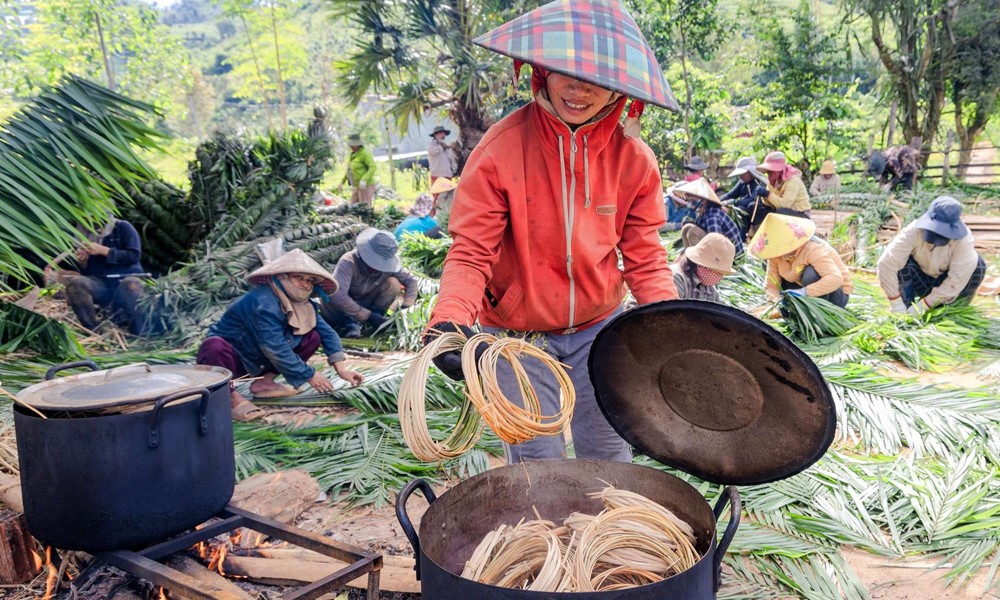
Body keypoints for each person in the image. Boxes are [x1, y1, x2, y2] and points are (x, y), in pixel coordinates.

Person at [424, 0, 680, 465]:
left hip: (600, 330)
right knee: (537, 465)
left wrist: (671, 325)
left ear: (620, 92)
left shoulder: (634, 161)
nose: (579, 89)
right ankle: (547, 540)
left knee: (607, 457)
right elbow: (471, 252)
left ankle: (604, 539)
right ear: (541, 71)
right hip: (516, 336)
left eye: (598, 80)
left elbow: (645, 258)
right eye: (566, 71)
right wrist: (450, 317)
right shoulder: (500, 149)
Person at [195, 249, 364, 422]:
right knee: (214, 346)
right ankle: (231, 397)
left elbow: (327, 333)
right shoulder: (263, 302)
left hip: (260, 360)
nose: (305, 284)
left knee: (312, 337)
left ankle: (265, 382)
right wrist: (309, 374)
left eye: (310, 280)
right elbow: (273, 346)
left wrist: (341, 369)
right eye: (299, 277)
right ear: (283, 276)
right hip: (234, 359)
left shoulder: (305, 305)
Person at [877, 196, 986, 316]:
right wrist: (895, 301)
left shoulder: (963, 241)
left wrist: (925, 304)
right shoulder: (913, 231)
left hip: (946, 286)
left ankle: (954, 311)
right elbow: (887, 263)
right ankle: (905, 306)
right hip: (919, 279)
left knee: (978, 266)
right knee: (900, 261)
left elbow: (956, 279)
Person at [320, 228, 419, 338]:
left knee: (393, 283)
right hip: (341, 309)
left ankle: (375, 319)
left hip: (367, 303)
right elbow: (338, 295)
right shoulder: (348, 262)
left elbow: (411, 281)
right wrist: (367, 315)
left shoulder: (389, 265)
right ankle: (350, 324)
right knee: (333, 291)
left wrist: (406, 306)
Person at [60, 215, 148, 335]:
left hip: (125, 279)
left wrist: (103, 250)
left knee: (131, 285)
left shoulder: (123, 227)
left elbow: (133, 255)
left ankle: (143, 331)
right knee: (76, 284)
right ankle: (93, 331)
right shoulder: (83, 234)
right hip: (101, 284)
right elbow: (86, 273)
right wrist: (83, 262)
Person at [750, 213, 852, 309]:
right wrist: (777, 301)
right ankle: (798, 306)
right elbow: (771, 285)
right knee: (766, 264)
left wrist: (804, 292)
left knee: (810, 273)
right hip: (800, 285)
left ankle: (816, 310)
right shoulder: (775, 254)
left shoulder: (813, 249)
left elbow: (835, 279)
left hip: (835, 294)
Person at [676, 178, 743, 254]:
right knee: (687, 228)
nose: (690, 203)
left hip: (729, 256)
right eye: (688, 200)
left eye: (692, 200)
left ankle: (698, 263)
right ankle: (690, 258)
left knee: (693, 232)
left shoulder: (712, 215)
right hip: (719, 247)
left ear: (704, 201)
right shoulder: (704, 212)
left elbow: (716, 242)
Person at [672, 233, 736, 302]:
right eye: (715, 270)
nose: (718, 277)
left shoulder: (710, 290)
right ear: (700, 263)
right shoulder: (676, 278)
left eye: (721, 273)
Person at [720, 156, 768, 241]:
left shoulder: (760, 183)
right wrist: (717, 201)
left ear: (750, 172)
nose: (740, 176)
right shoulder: (742, 183)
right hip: (746, 214)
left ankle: (740, 239)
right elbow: (730, 194)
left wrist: (733, 202)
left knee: (741, 209)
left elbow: (753, 200)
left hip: (759, 214)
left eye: (742, 174)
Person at [754, 151, 811, 222]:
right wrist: (763, 196)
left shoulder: (793, 181)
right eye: (768, 172)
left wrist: (768, 194)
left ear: (780, 170)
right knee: (754, 207)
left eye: (771, 171)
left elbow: (785, 205)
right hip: (780, 210)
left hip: (801, 215)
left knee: (781, 211)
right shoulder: (772, 181)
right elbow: (770, 204)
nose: (770, 174)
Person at [339, 133, 377, 206]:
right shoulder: (352, 155)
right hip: (356, 185)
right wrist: (342, 182)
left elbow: (373, 167)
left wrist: (364, 180)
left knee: (364, 206)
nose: (351, 147)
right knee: (353, 205)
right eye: (350, 145)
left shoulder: (364, 154)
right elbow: (349, 170)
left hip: (366, 185)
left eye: (353, 145)